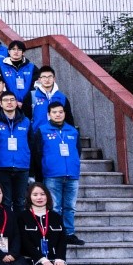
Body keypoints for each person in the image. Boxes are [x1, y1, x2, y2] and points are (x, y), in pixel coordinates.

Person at [31, 102, 84, 245]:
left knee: (70, 207)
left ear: (65, 113)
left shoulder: (73, 131)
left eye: (60, 112)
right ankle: (55, 232)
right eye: (54, 112)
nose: (58, 114)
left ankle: (69, 233)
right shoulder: (42, 131)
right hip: (52, 174)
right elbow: (37, 153)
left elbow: (77, 151)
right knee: (54, 206)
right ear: (49, 114)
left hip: (72, 175)